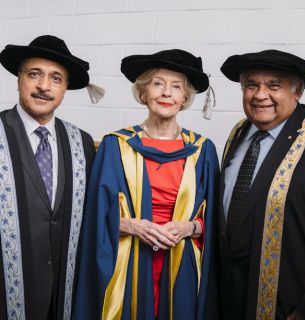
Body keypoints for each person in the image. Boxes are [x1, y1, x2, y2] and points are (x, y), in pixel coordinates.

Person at [73, 49, 220, 319]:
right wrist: (132, 225)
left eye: (176, 87)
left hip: (181, 263)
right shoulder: (115, 146)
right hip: (128, 261)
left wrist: (188, 227)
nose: (167, 93)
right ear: (144, 93)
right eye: (158, 83)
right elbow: (93, 216)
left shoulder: (203, 151)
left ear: (184, 98)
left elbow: (215, 224)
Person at [0, 35, 97, 320]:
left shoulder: (81, 143)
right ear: (19, 79)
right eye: (34, 75)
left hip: (64, 293)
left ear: (65, 88)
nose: (44, 86)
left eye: (56, 78)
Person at [218, 49, 305, 319]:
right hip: (228, 296)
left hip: (289, 302)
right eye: (252, 85)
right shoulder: (239, 132)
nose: (260, 95)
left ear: (297, 92)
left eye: (274, 85)